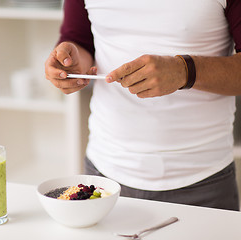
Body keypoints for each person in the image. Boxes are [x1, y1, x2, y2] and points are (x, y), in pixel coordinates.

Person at [45, 0, 241, 211]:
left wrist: (184, 71)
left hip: (203, 181)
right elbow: (79, 40)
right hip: (103, 176)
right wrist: (71, 62)